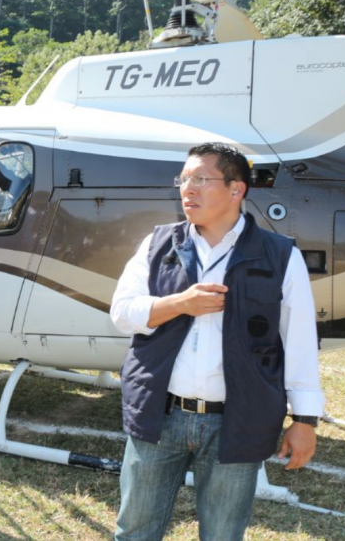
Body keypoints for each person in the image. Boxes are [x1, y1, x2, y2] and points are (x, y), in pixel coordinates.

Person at [110, 142, 324, 541]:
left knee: (223, 535)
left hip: (237, 420)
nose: (187, 189)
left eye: (201, 179)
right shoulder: (159, 243)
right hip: (160, 414)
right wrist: (179, 303)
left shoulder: (279, 256)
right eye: (184, 179)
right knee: (134, 531)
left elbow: (298, 342)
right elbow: (122, 312)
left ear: (236, 189)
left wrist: (305, 420)